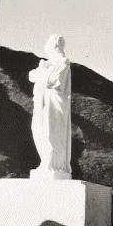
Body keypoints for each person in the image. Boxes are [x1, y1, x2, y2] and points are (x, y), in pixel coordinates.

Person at [28, 35, 72, 176]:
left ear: (54, 46)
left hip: (54, 104)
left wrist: (42, 70)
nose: (45, 46)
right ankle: (45, 161)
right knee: (37, 128)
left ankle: (53, 164)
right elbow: (31, 76)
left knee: (50, 132)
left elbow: (52, 80)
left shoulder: (63, 62)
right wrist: (42, 70)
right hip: (43, 102)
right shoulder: (48, 63)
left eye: (47, 43)